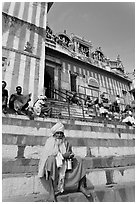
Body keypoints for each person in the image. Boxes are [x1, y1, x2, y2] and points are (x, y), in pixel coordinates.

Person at [38, 121, 91, 201]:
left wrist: (70, 155)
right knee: (51, 160)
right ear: (54, 134)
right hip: (53, 167)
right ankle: (52, 192)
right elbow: (48, 157)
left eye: (61, 133)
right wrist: (62, 156)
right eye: (57, 133)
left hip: (65, 165)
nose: (59, 135)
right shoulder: (50, 142)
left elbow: (70, 152)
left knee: (79, 160)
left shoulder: (66, 142)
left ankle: (81, 186)